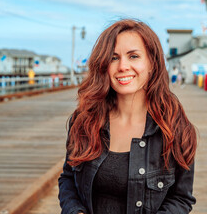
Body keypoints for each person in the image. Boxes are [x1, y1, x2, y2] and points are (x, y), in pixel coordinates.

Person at [58, 19, 198, 214]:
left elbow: (181, 198)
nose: (123, 66)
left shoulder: (175, 129)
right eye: (114, 58)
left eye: (133, 56)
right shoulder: (84, 120)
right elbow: (67, 178)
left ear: (152, 63)